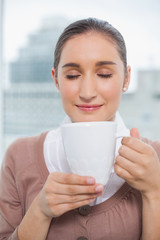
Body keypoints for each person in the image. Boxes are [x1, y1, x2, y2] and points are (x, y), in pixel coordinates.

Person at [0, 17, 160, 240]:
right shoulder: (18, 157)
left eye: (104, 74)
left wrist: (155, 193)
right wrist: (40, 212)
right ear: (56, 80)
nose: (87, 91)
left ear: (126, 78)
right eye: (73, 75)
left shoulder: (156, 159)